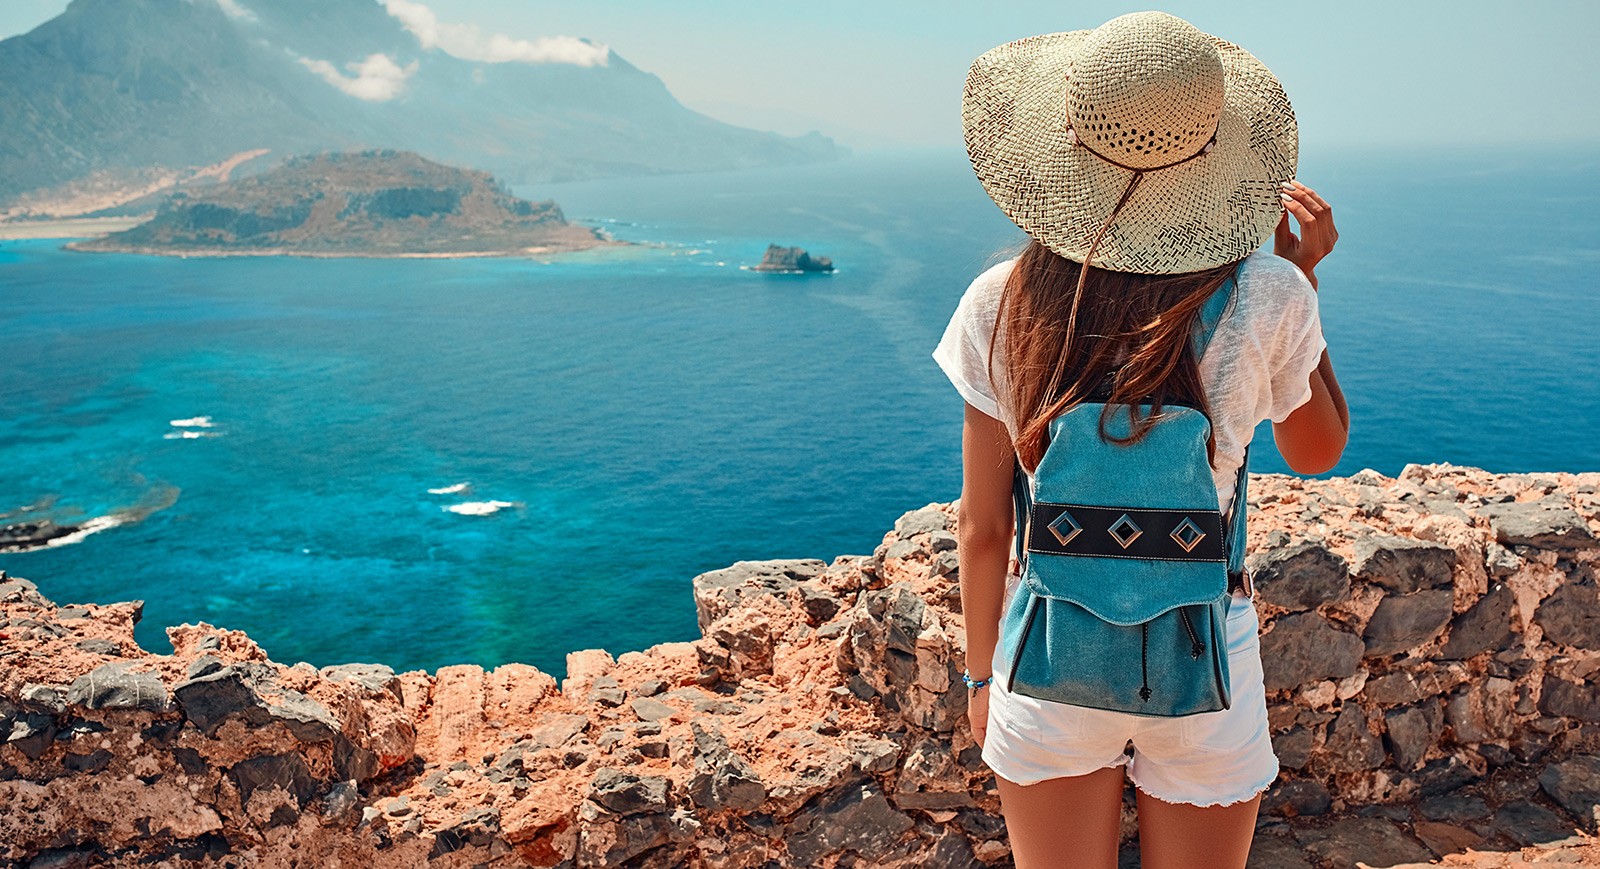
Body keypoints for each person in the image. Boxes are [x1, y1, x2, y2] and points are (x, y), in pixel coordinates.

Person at [932, 11, 1350, 869]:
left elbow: (980, 527)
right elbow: (1318, 450)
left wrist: (982, 681)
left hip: (1044, 652)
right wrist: (1301, 280)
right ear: (1215, 157)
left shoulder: (1000, 301)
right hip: (1207, 661)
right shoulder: (1268, 292)